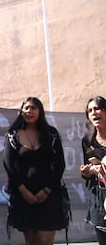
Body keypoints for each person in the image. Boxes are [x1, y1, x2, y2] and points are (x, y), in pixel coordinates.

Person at [3, 97, 66, 245]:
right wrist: (24, 191)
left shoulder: (52, 134)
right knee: (31, 241)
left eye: (33, 108)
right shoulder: (13, 135)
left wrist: (46, 190)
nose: (29, 111)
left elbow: (60, 164)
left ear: (40, 111)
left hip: (49, 195)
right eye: (26, 108)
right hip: (23, 196)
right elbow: (9, 165)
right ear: (21, 111)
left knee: (45, 240)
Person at [80, 96, 106, 244]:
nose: (94, 113)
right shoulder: (87, 141)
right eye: (90, 110)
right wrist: (86, 172)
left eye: (97, 108)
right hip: (100, 199)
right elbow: (89, 173)